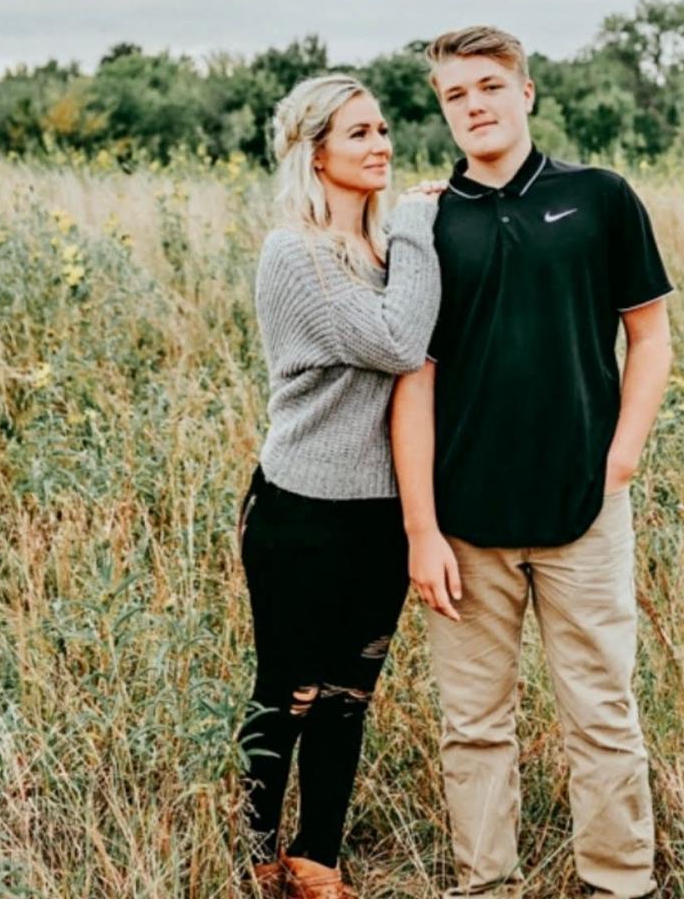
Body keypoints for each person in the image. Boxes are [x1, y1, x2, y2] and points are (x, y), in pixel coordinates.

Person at [390, 26, 674, 899]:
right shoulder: (429, 221)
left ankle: (618, 881)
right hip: (465, 524)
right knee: (474, 726)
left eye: (487, 86)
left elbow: (650, 335)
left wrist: (618, 462)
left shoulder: (598, 198)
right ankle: (487, 883)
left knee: (602, 712)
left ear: (526, 92)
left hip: (584, 510)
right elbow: (415, 377)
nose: (472, 106)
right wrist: (421, 529)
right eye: (453, 96)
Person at [237, 73, 441, 899]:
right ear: (315, 152)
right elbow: (401, 342)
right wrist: (425, 224)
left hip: (381, 514)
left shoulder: (384, 251)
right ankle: (255, 847)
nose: (381, 143)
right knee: (288, 690)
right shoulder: (299, 253)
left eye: (384, 128)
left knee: (349, 694)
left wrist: (410, 237)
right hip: (300, 509)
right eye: (358, 133)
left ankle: (317, 857)